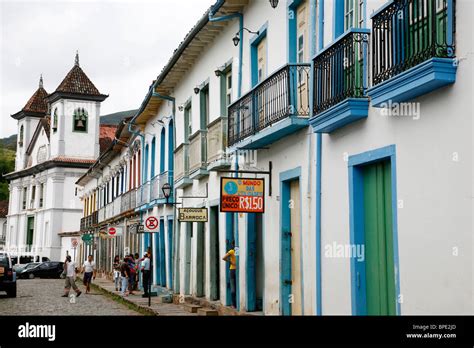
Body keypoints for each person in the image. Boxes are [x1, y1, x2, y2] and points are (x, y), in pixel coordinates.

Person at [223, 241, 237, 308]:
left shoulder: (233, 251)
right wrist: (232, 262)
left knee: (233, 287)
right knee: (234, 287)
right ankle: (234, 304)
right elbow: (224, 258)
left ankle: (234, 304)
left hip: (233, 270)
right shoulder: (233, 251)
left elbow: (224, 258)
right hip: (234, 270)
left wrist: (231, 262)